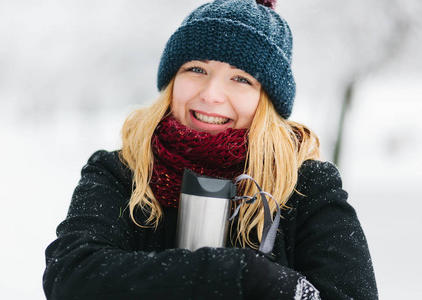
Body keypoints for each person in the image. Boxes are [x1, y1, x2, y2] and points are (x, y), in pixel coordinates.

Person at [43, 0, 378, 299]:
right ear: (173, 80)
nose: (211, 94)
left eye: (241, 79)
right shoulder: (121, 170)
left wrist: (274, 285)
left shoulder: (305, 185)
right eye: (197, 70)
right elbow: (71, 276)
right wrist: (238, 274)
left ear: (268, 101)